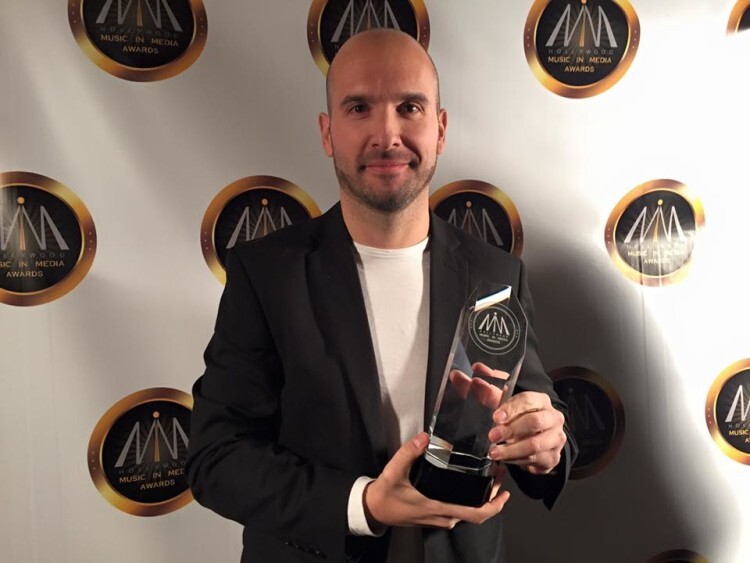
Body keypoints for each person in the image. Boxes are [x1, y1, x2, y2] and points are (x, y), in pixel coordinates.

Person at [187, 28, 576, 563]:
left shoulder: (495, 272)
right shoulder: (266, 274)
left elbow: (538, 420)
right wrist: (363, 504)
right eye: (359, 108)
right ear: (328, 133)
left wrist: (546, 445)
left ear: (440, 129)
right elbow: (216, 457)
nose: (387, 134)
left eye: (409, 107)